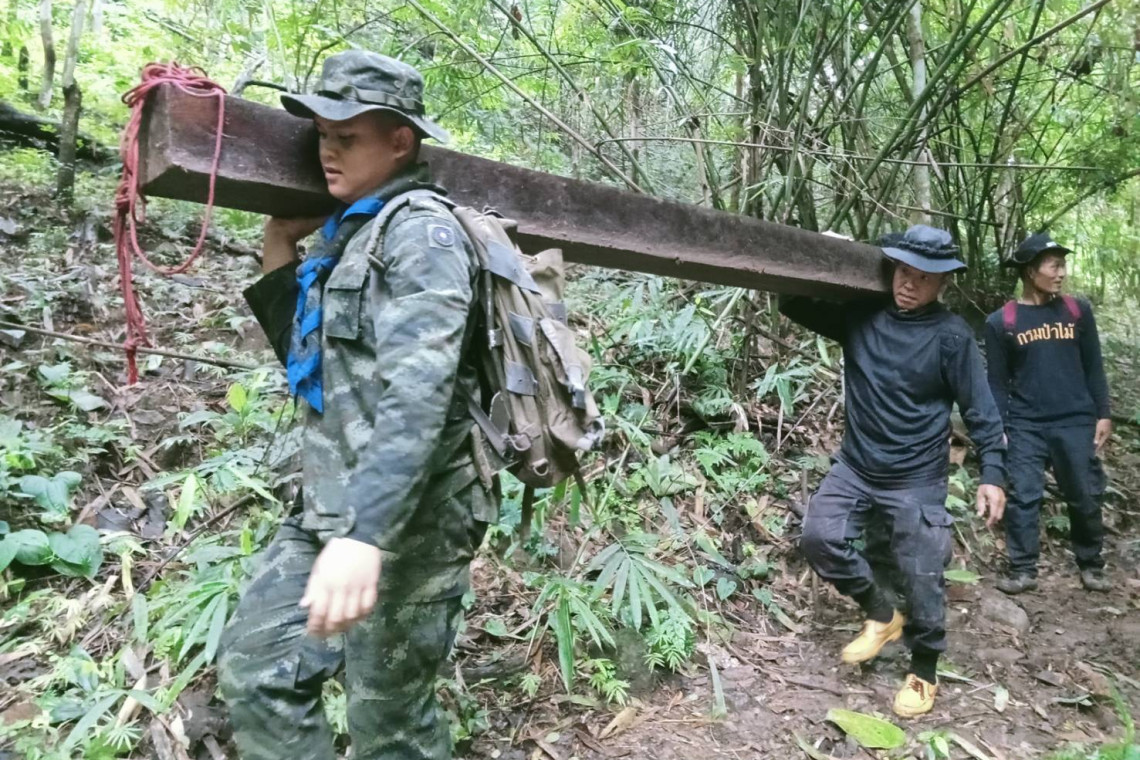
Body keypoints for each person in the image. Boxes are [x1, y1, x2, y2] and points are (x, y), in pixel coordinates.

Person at [216, 51, 497, 760]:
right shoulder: (355, 232)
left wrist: (366, 534)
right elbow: (315, 364)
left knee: (389, 725)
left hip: (410, 520)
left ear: (400, 141)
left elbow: (420, 391)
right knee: (258, 672)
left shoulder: (420, 232)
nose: (328, 151)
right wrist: (280, 242)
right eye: (321, 135)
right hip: (328, 507)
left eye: (347, 136)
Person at [782, 225, 1007, 718]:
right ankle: (881, 613)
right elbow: (793, 303)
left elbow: (980, 409)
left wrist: (992, 473)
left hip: (916, 478)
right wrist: (824, 254)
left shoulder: (951, 337)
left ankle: (924, 670)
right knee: (819, 537)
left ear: (943, 282)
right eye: (904, 271)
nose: (909, 284)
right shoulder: (861, 315)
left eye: (924, 277)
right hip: (856, 466)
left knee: (923, 575)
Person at [984, 232, 1111, 595]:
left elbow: (1094, 365)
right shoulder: (1002, 322)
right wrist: (999, 426)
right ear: (1030, 271)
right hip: (1025, 424)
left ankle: (1091, 565)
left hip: (1076, 420)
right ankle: (1023, 570)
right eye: (1054, 266)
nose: (1061, 273)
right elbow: (997, 383)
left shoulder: (1076, 311)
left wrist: (1103, 413)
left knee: (1085, 494)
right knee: (1024, 497)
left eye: (1063, 266)